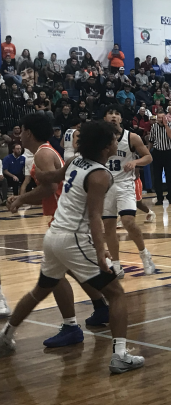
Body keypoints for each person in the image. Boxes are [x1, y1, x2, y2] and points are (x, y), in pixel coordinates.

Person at [0, 120, 145, 374]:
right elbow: (94, 218)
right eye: (113, 139)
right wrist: (101, 254)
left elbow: (50, 177)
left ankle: (6, 335)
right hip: (73, 239)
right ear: (104, 146)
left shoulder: (74, 162)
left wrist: (28, 186)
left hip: (53, 236)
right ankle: (120, 355)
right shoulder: (101, 175)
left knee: (38, 291)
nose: (116, 142)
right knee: (117, 294)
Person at [7, 113, 112, 346]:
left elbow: (49, 188)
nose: (18, 134)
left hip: (65, 219)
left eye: (21, 130)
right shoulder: (42, 152)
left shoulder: (43, 154)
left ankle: (72, 325)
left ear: (28, 132)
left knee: (55, 276)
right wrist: (23, 198)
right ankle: (99, 307)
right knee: (68, 270)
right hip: (63, 217)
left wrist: (21, 199)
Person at [101, 106, 156, 277]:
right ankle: (116, 265)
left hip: (124, 185)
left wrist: (135, 162)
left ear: (121, 119)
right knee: (109, 228)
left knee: (128, 222)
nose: (114, 116)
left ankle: (145, 254)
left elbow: (149, 157)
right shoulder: (99, 138)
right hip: (105, 187)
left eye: (117, 113)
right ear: (105, 118)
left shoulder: (131, 137)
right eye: (111, 113)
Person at [149, 111, 171, 205]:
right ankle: (159, 197)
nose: (160, 119)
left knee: (169, 176)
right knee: (157, 177)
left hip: (168, 153)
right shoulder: (153, 127)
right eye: (159, 118)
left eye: (162, 117)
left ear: (166, 118)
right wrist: (148, 152)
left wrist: (165, 125)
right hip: (157, 153)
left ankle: (170, 196)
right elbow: (151, 140)